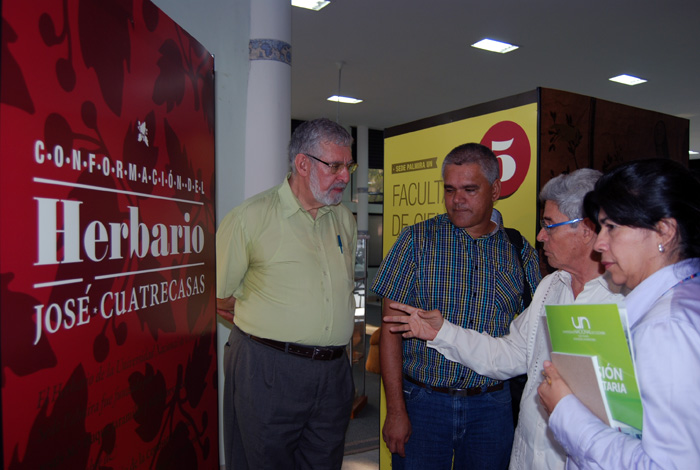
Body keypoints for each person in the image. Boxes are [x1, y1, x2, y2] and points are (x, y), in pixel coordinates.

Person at [383, 168, 626, 469]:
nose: (540, 236)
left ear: (587, 228)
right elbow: (510, 353)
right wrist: (441, 332)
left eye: (549, 226)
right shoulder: (552, 287)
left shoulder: (624, 301)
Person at [372, 143, 542, 469]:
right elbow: (390, 330)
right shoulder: (416, 241)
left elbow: (537, 334)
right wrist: (395, 410)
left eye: (469, 189)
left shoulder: (519, 251)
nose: (457, 200)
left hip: (491, 406)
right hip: (423, 402)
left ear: (495, 190)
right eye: (449, 190)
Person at [538, 158, 700, 469]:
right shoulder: (684, 299)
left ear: (664, 231)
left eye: (611, 227)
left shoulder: (666, 327)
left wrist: (565, 410)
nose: (599, 244)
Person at [216, 118, 358, 470]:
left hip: (333, 374)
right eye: (335, 165)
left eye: (349, 165)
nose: (345, 176)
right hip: (268, 370)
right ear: (303, 164)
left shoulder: (344, 219)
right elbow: (215, 293)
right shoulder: (250, 218)